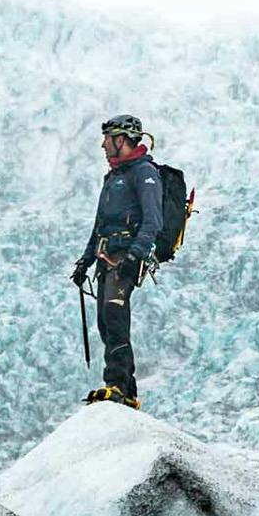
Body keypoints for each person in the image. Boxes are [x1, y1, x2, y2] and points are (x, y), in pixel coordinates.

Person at [70, 113, 163, 408]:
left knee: (115, 316)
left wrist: (135, 256)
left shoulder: (143, 173)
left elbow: (153, 220)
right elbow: (99, 225)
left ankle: (119, 386)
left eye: (107, 139)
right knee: (106, 322)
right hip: (105, 256)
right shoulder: (114, 177)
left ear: (121, 140)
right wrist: (85, 261)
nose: (102, 145)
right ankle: (125, 390)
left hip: (124, 257)